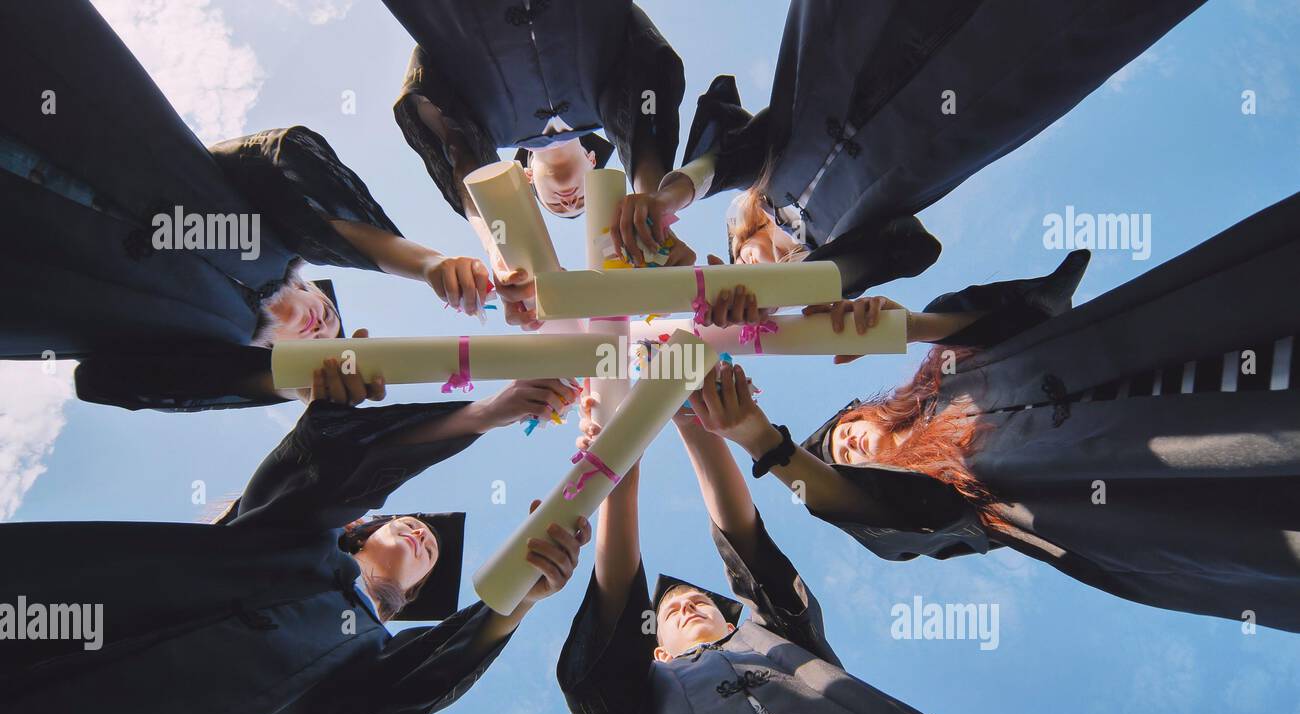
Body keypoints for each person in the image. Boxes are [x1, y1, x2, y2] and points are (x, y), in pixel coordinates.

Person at [695, 193, 1300, 633]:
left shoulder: (948, 376)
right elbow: (863, 506)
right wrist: (763, 440)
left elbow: (1025, 318)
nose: (846, 447)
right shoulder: (955, 503)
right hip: (1152, 474)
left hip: (1166, 352)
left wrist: (900, 327)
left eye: (845, 433)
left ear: (874, 411)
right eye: (841, 460)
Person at [0, 362, 589, 714]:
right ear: (358, 527)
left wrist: (519, 596)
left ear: (411, 598)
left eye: (431, 551)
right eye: (408, 523)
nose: (421, 532)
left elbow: (426, 681)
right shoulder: (287, 542)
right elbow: (321, 477)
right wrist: (486, 413)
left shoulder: (369, 662)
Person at [0, 2, 485, 411]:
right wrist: (428, 265)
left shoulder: (213, 344)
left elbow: (108, 381)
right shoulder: (265, 239)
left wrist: (293, 382)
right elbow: (285, 170)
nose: (323, 329)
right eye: (332, 320)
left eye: (316, 348)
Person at [616, 0, 1205, 300]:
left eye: (741, 258)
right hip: (972, 86)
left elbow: (726, 157)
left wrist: (665, 198)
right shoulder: (843, 248)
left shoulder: (763, 168)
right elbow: (914, 249)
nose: (752, 267)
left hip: (858, 43)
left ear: (741, 235)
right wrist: (810, 289)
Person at [556, 367, 943, 714]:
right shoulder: (641, 696)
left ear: (730, 624)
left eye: (696, 602)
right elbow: (615, 610)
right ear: (660, 654)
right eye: (672, 612)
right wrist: (620, 466)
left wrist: (695, 420)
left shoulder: (779, 639)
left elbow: (747, 546)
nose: (687, 606)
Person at [386, 0, 686, 318]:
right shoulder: (610, 94)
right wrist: (653, 212)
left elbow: (462, 156)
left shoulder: (484, 125)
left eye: (556, 206)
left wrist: (499, 250)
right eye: (583, 200)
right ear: (592, 158)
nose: (570, 202)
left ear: (527, 176)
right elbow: (644, 117)